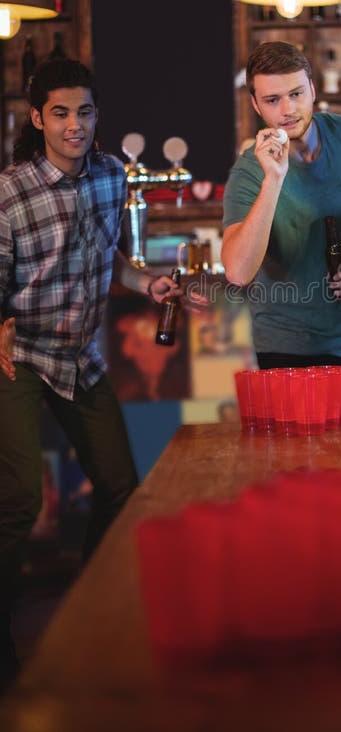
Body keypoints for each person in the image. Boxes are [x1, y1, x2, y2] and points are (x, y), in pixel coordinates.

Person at [0, 58, 181, 684]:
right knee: (20, 502)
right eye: (60, 113)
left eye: (84, 111)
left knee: (120, 488)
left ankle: (90, 608)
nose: (74, 125)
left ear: (96, 115)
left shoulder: (110, 174)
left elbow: (113, 261)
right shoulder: (10, 192)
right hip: (19, 356)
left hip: (81, 356)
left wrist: (147, 281)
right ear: (37, 118)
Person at [222, 40, 341, 369]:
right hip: (285, 346)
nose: (287, 109)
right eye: (272, 100)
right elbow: (238, 272)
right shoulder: (249, 172)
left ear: (312, 89)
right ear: (256, 105)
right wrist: (274, 178)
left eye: (296, 94)